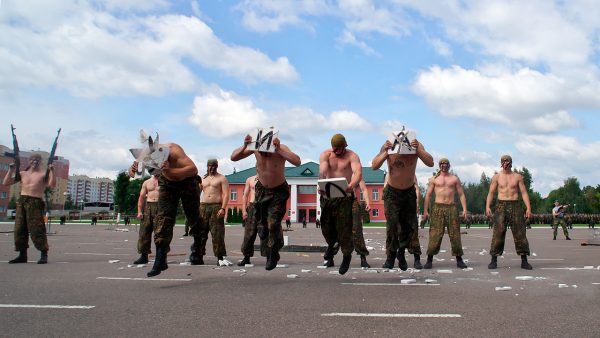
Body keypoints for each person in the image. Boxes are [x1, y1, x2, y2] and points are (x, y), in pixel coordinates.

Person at [128, 141, 203, 277]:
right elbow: (132, 174)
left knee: (193, 217)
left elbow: (193, 169)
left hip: (188, 182)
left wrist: (169, 170)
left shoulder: (174, 151)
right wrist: (132, 168)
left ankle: (197, 246)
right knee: (163, 219)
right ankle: (160, 260)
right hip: (168, 184)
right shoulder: (145, 154)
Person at [231, 133, 301, 270]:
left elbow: (297, 161)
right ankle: (266, 251)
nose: (263, 154)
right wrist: (245, 145)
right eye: (260, 151)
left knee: (273, 223)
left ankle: (273, 253)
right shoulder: (255, 148)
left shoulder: (281, 149)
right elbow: (233, 157)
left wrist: (279, 149)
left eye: (266, 151)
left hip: (278, 191)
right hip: (261, 190)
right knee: (262, 226)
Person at [372, 136, 433, 271]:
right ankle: (391, 257)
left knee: (411, 227)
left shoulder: (416, 145)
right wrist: (385, 152)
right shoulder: (388, 145)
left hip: (408, 192)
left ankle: (407, 254)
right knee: (392, 226)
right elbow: (374, 165)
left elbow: (430, 162)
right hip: (392, 193)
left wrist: (418, 150)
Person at [317, 134, 363, 275]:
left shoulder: (352, 156)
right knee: (326, 226)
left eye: (340, 149)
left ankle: (346, 256)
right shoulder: (326, 155)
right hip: (329, 196)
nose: (337, 152)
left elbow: (357, 173)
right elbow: (323, 170)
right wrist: (321, 181)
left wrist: (352, 185)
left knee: (345, 229)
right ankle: (332, 244)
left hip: (345, 196)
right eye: (335, 149)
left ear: (345, 146)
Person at [3, 153, 55, 264]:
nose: (35, 162)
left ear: (40, 162)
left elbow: (52, 185)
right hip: (22, 201)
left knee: (37, 229)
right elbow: (6, 183)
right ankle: (22, 255)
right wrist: (11, 169)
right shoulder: (22, 174)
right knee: (19, 229)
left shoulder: (42, 175)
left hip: (35, 202)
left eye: (37, 160)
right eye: (33, 159)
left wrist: (51, 171)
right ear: (29, 161)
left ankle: (43, 254)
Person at [485, 155, 533, 270]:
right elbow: (491, 193)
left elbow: (524, 192)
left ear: (511, 163)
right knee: (498, 233)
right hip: (501, 205)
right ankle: (493, 260)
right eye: (504, 161)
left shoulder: (517, 177)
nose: (506, 163)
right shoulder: (496, 177)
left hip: (515, 205)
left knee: (520, 233)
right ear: (501, 163)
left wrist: (528, 208)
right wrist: (487, 206)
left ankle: (524, 260)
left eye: (508, 161)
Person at [422, 158, 468, 269]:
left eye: (446, 164)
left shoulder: (454, 179)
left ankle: (459, 260)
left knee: (455, 234)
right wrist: (425, 211)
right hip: (437, 208)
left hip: (451, 208)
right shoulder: (434, 179)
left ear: (449, 165)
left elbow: (461, 194)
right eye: (442, 164)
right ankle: (429, 260)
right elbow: (428, 195)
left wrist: (465, 209)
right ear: (439, 165)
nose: (444, 165)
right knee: (435, 234)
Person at [197, 159, 231, 266]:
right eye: (210, 166)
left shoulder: (222, 178)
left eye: (214, 166)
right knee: (201, 233)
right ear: (207, 166)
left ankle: (220, 257)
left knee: (217, 234)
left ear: (217, 166)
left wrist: (223, 208)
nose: (212, 168)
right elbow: (197, 193)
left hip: (216, 207)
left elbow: (226, 195)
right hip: (203, 207)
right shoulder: (203, 179)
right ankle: (199, 256)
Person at [238, 175, 266, 266]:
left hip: (263, 207)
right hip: (252, 206)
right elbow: (245, 195)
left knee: (265, 233)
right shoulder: (250, 179)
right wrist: (244, 210)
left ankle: (269, 258)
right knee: (249, 234)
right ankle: (246, 258)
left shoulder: (268, 177)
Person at [133, 175, 160, 264]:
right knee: (144, 232)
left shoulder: (166, 181)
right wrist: (139, 211)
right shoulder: (147, 182)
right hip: (148, 206)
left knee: (160, 233)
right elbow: (141, 197)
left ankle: (161, 257)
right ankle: (144, 256)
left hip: (160, 206)